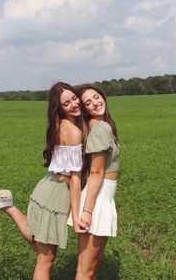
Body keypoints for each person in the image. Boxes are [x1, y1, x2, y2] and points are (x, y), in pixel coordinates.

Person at [0, 82, 87, 280]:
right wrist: (76, 216)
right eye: (66, 103)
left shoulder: (60, 126)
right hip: (58, 194)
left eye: (74, 98)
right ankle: (7, 207)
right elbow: (75, 178)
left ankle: (7, 206)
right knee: (46, 259)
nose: (74, 104)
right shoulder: (74, 131)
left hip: (48, 186)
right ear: (59, 108)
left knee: (41, 247)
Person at [68, 84, 120, 279]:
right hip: (97, 199)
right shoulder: (100, 127)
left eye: (96, 97)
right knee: (85, 271)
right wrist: (88, 211)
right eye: (88, 103)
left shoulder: (100, 125)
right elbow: (97, 172)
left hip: (101, 196)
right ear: (85, 110)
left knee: (91, 269)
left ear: (103, 96)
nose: (95, 103)